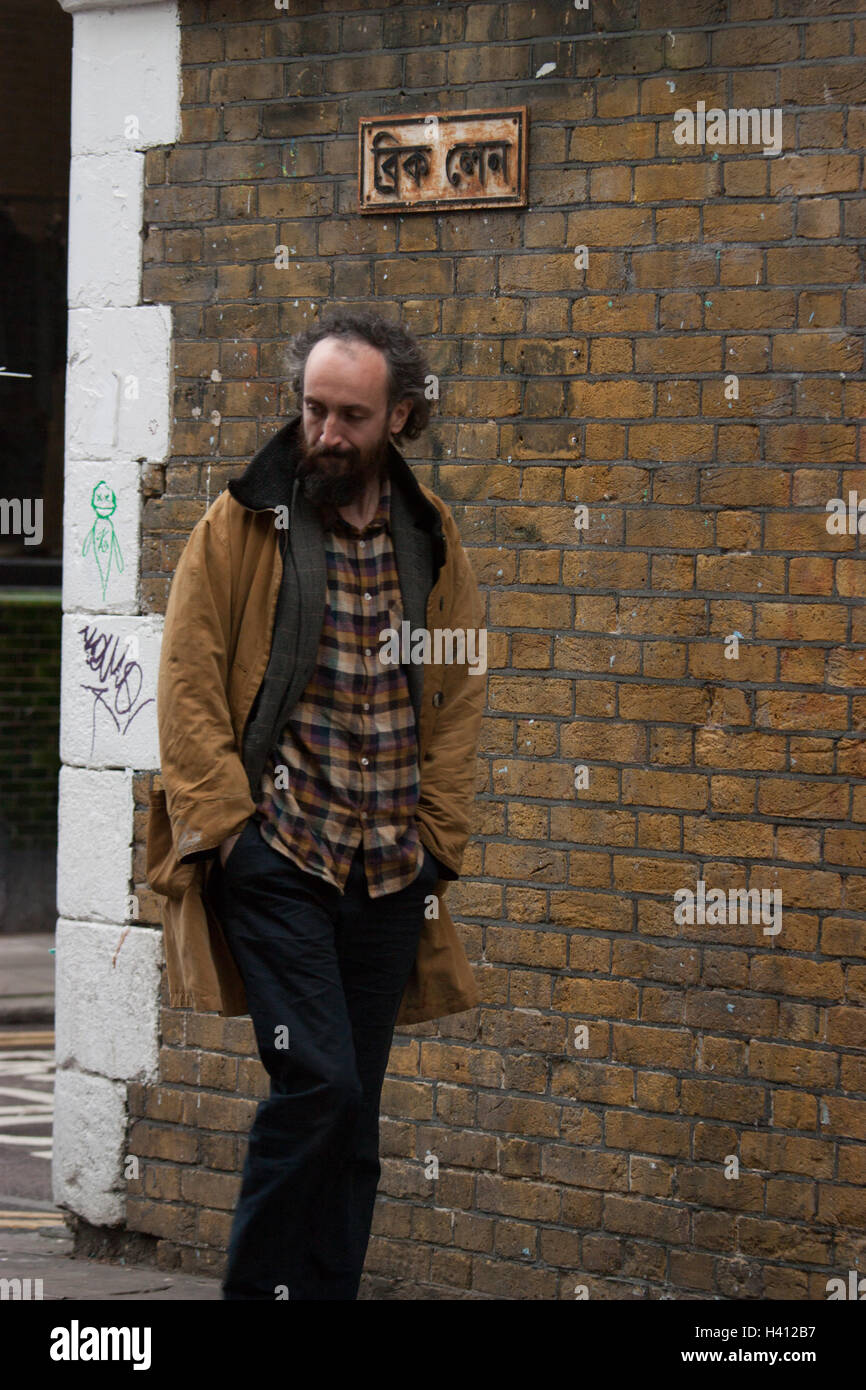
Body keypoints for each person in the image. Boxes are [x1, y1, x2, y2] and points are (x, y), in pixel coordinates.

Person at [147, 308, 486, 1300]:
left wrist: (436, 843)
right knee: (318, 1083)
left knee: (356, 1122)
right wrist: (230, 833)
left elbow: (458, 690)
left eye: (350, 415)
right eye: (313, 409)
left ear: (400, 418)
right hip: (280, 861)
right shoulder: (244, 521)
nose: (326, 433)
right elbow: (188, 678)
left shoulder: (426, 536)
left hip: (386, 872)